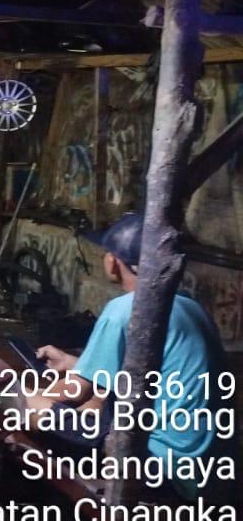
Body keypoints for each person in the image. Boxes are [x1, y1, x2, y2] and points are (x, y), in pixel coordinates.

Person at [28, 213, 231, 501]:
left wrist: (33, 395)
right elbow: (145, 372)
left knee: (24, 403)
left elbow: (75, 391)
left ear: (113, 261)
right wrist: (77, 364)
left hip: (161, 468)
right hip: (208, 468)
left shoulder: (124, 310)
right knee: (96, 403)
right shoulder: (191, 306)